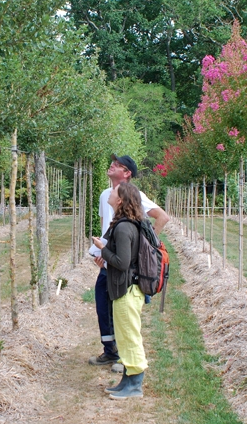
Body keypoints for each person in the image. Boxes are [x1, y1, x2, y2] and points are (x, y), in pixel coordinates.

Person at [88, 155, 169, 369]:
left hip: (123, 263)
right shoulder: (106, 195)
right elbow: (107, 227)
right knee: (103, 306)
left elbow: (162, 217)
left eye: (118, 165)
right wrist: (102, 252)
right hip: (108, 259)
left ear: (127, 174)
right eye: (112, 162)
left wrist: (146, 249)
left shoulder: (136, 195)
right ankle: (110, 351)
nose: (112, 165)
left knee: (124, 312)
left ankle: (127, 358)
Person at [92, 182, 148, 399]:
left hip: (127, 291)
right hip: (124, 289)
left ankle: (135, 385)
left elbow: (123, 263)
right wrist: (105, 260)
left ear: (121, 200)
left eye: (114, 191)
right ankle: (127, 379)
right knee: (124, 337)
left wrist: (102, 250)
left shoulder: (124, 227)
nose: (110, 191)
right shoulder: (124, 224)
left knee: (130, 337)